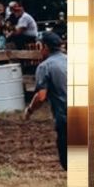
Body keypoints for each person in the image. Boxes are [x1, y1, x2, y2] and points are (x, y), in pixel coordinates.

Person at [24, 31, 68, 169]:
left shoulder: (45, 67)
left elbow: (41, 96)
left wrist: (29, 110)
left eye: (40, 46)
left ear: (45, 47)